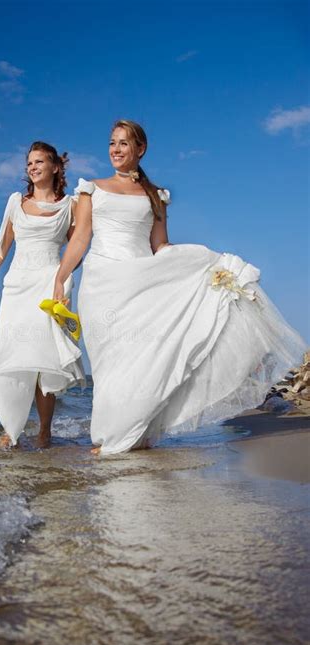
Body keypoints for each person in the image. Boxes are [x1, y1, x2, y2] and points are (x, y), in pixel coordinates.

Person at [53, 119, 308, 456]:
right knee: (110, 362)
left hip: (144, 282)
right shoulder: (92, 189)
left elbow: (160, 246)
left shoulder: (155, 196)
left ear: (140, 149)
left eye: (124, 143)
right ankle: (118, 431)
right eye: (112, 142)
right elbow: (82, 237)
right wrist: (60, 277)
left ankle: (128, 433)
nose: (115, 149)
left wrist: (201, 263)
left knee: (145, 357)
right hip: (102, 285)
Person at [0, 142, 86, 449]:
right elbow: (0, 249)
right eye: (29, 163)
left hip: (50, 285)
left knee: (44, 360)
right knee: (13, 353)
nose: (32, 167)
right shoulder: (16, 202)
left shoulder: (69, 205)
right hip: (17, 287)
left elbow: (77, 249)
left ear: (55, 166)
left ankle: (44, 432)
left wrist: (63, 279)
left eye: (39, 162)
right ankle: (11, 430)